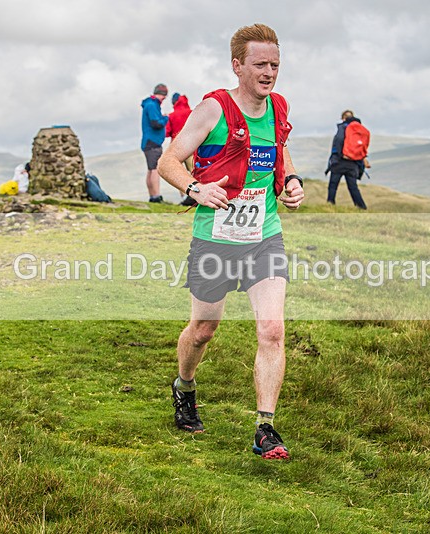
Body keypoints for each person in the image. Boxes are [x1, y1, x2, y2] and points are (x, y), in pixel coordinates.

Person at [157, 23, 304, 460]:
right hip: (215, 239)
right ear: (237, 65)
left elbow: (279, 148)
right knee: (204, 330)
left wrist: (291, 179)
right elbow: (169, 161)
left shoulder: (278, 107)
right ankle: (184, 386)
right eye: (260, 64)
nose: (269, 72)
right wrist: (195, 189)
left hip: (264, 237)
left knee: (272, 330)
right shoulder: (212, 110)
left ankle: (265, 429)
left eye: (275, 64)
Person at [325, 110, 368, 210]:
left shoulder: (343, 127)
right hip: (353, 163)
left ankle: (330, 205)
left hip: (340, 161)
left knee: (333, 185)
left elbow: (339, 140)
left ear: (343, 118)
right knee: (353, 187)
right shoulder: (359, 130)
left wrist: (340, 155)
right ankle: (361, 207)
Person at [166, 93, 197, 207]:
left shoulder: (171, 116)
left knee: (179, 173)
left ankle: (185, 197)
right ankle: (197, 196)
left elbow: (167, 132)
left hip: (177, 148)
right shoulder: (192, 113)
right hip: (192, 147)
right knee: (195, 172)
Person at [141, 84, 170, 203]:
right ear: (161, 94)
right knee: (155, 169)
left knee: (150, 169)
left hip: (148, 142)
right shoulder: (152, 105)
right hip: (153, 142)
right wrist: (165, 118)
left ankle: (152, 196)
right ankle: (156, 196)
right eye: (164, 96)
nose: (164, 99)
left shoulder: (149, 104)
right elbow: (156, 123)